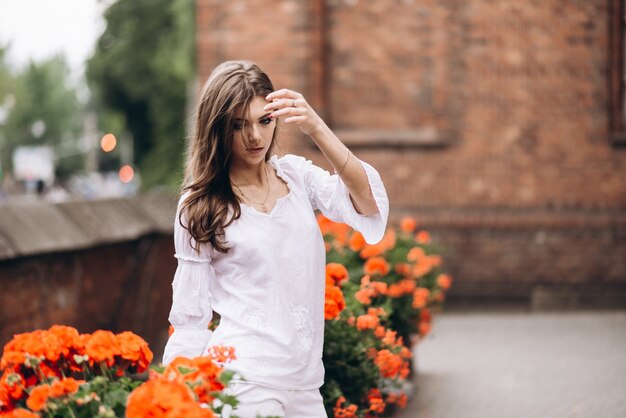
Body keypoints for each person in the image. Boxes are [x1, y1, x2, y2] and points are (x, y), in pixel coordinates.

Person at [162, 60, 389, 417]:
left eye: (264, 121)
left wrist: (316, 127)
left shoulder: (296, 177)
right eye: (238, 125)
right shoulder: (200, 205)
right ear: (217, 129)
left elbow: (368, 203)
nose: (255, 137)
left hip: (305, 382)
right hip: (244, 377)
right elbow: (190, 316)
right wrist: (179, 393)